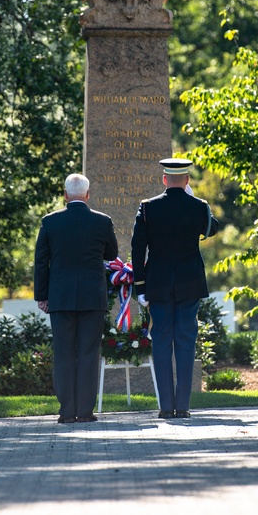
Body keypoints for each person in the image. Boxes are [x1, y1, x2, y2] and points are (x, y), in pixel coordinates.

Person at [132, 158, 218, 419]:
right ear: (187, 181)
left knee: (161, 342)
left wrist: (140, 285)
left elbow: (138, 248)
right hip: (189, 284)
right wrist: (198, 203)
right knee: (185, 341)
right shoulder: (199, 206)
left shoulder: (148, 208)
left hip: (157, 284)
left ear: (164, 179)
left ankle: (166, 406)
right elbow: (212, 228)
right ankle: (183, 406)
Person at [34, 173, 118, 423]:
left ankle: (66, 411)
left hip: (60, 297)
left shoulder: (50, 222)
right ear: (88, 195)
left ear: (65, 195)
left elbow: (41, 262)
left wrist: (42, 295)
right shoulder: (102, 221)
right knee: (89, 353)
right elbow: (112, 253)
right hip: (93, 297)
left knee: (64, 353)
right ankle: (85, 411)